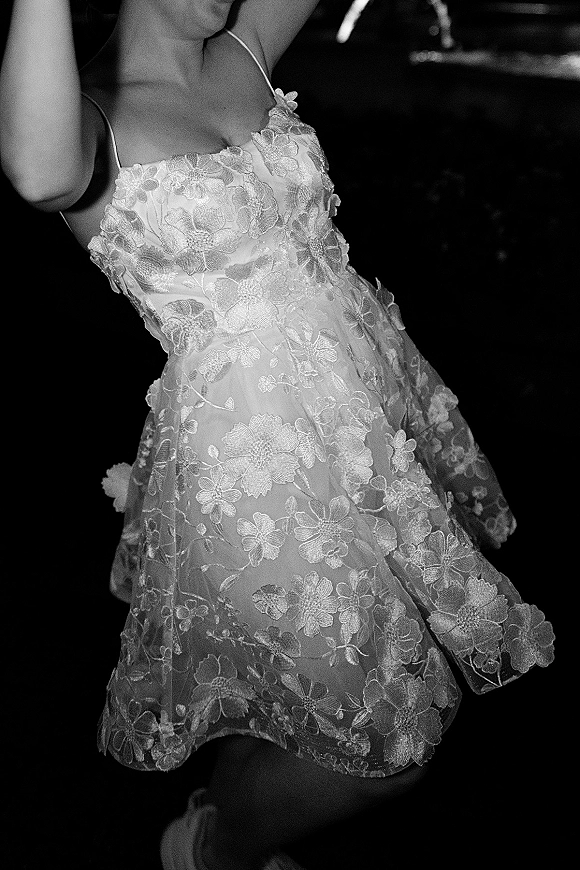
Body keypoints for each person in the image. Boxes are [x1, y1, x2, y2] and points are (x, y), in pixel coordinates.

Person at [0, 2, 555, 869]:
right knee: (398, 737)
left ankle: (220, 819)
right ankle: (216, 855)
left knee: (302, 693)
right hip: (258, 472)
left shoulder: (245, 49)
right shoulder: (91, 123)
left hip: (368, 422)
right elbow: (36, 175)